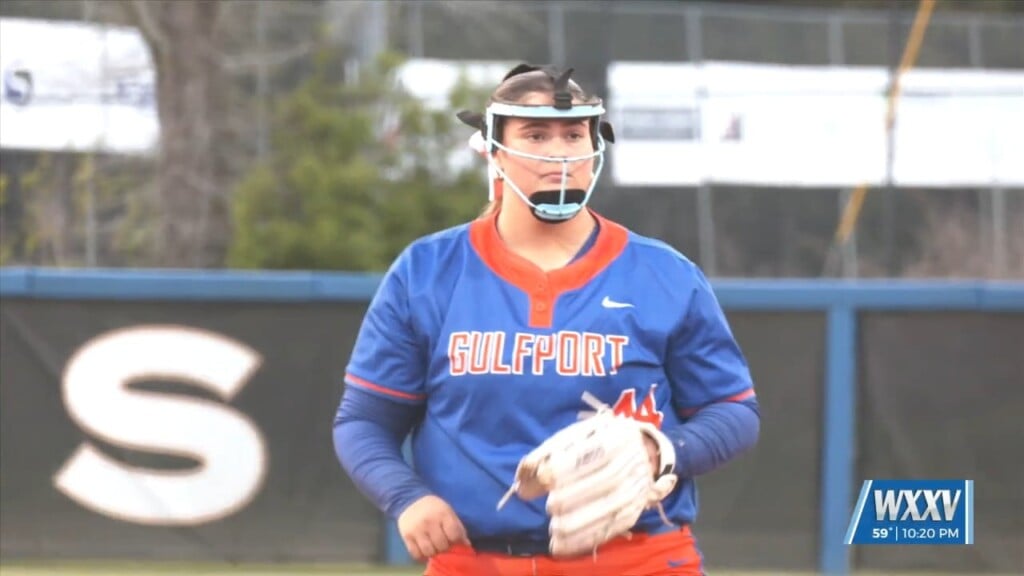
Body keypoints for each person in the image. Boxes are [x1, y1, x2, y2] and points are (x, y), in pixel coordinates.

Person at [333, 63, 760, 576]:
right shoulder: (427, 272)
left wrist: (661, 451)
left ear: (594, 146)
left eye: (573, 135)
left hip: (638, 558)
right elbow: (364, 421)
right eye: (536, 135)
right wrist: (406, 497)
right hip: (475, 561)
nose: (559, 153)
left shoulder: (664, 274)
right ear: (493, 149)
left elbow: (733, 411)